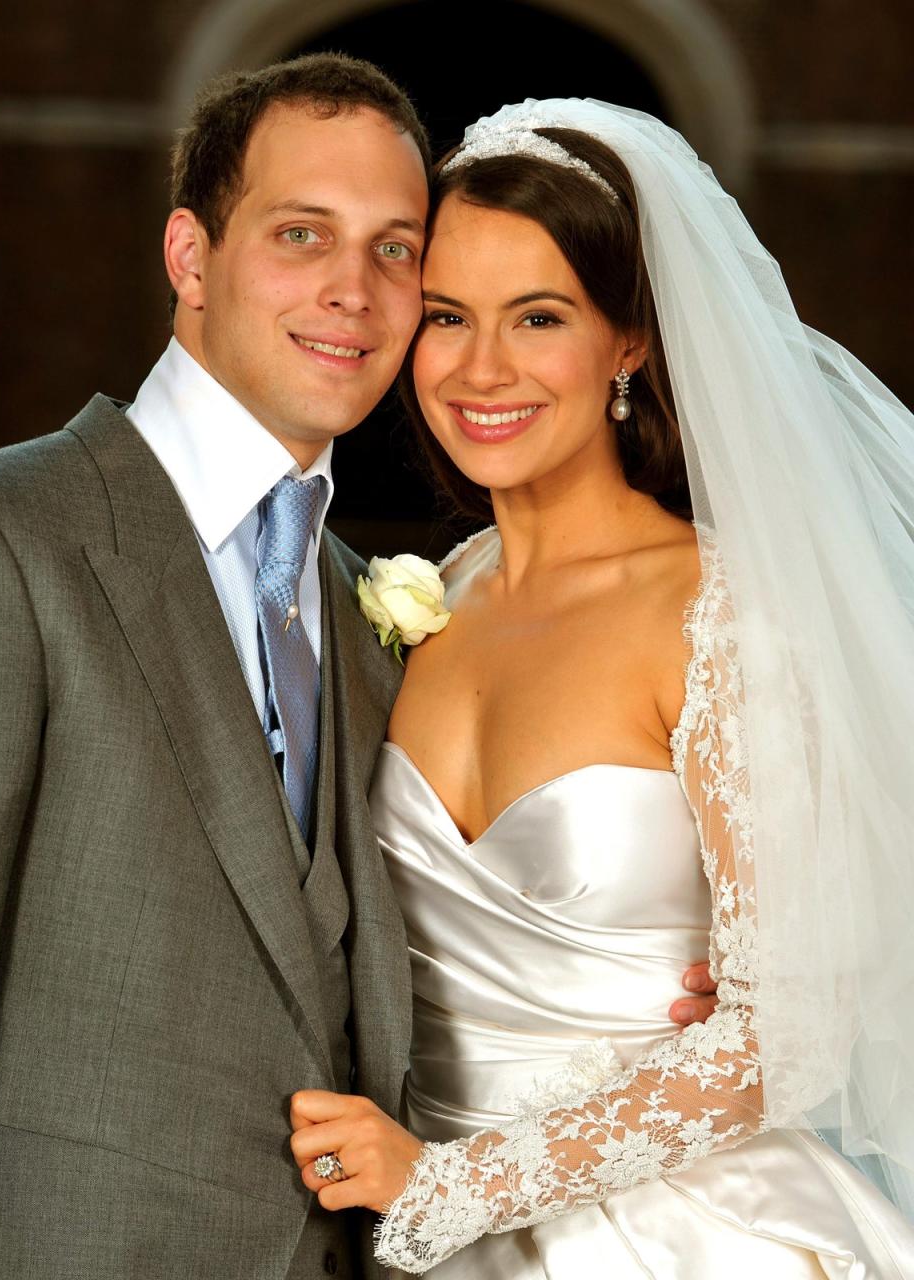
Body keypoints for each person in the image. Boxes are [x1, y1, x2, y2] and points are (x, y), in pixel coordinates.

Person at [0, 63, 716, 1276]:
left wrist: (758, 985)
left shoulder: (375, 604)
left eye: (395, 250)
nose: (352, 293)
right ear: (190, 257)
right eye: (301, 233)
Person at [289, 99, 914, 1275]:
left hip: (686, 1233)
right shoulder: (430, 598)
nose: (481, 368)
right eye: (445, 317)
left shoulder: (725, 614)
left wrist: (451, 1183)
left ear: (629, 338)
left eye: (539, 317)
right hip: (409, 1221)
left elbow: (797, 1027)